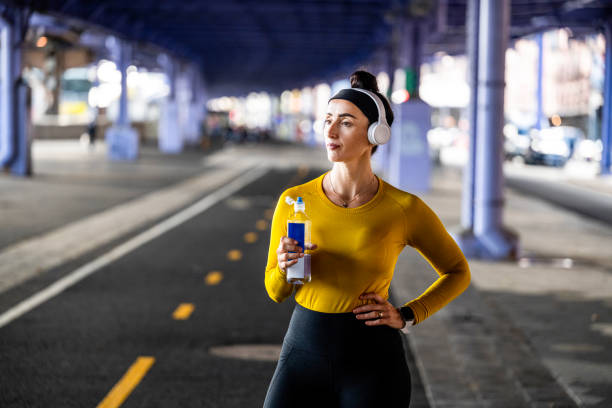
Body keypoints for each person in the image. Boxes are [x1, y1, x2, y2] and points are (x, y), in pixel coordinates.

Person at [263, 70, 471, 407]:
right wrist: (287, 268)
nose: (331, 131)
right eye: (328, 120)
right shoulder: (294, 201)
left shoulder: (404, 208)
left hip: (373, 363)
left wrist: (408, 314)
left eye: (345, 123)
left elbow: (457, 271)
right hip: (303, 352)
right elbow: (275, 292)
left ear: (376, 133)